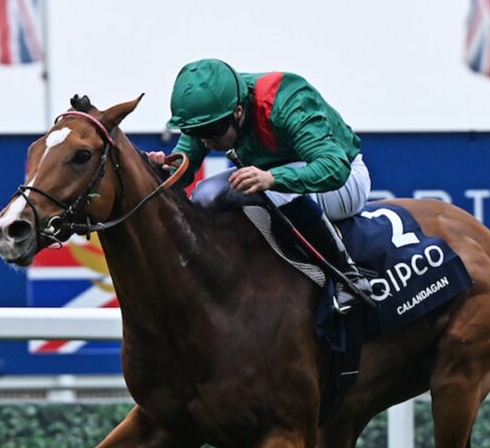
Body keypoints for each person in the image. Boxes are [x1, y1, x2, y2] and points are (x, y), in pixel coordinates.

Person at [146, 58, 372, 313]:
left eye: (212, 132)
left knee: (267, 190)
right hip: (287, 179)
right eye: (196, 133)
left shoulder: (287, 101)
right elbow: (183, 171)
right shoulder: (211, 111)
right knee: (204, 194)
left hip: (344, 181)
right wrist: (161, 170)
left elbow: (334, 168)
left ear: (238, 112)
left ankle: (349, 278)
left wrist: (273, 178)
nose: (206, 143)